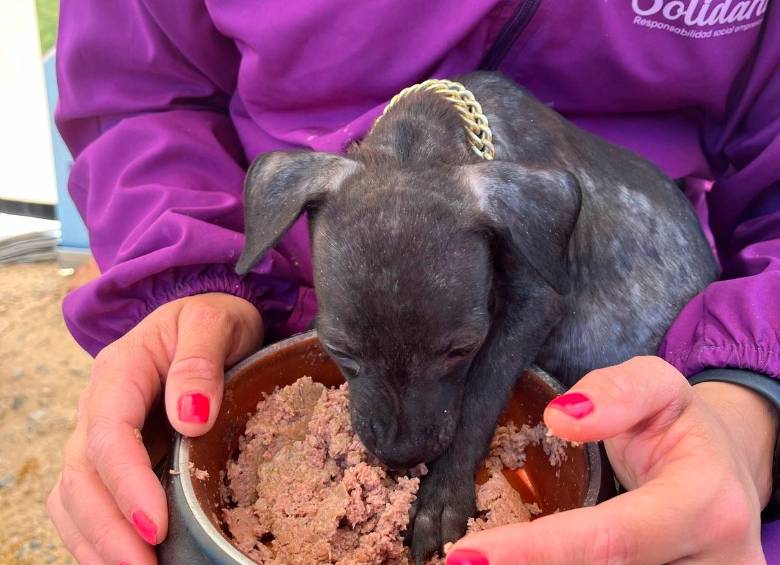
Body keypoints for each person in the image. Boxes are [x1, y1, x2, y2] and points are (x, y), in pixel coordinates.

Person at [48, 2, 780, 564]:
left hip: (680, 387)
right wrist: (189, 273)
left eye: (455, 352)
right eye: (347, 353)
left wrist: (751, 403)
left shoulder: (516, 197)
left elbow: (540, 297)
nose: (396, 444)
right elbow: (140, 92)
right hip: (285, 321)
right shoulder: (351, 187)